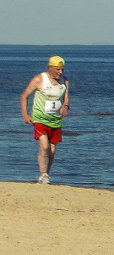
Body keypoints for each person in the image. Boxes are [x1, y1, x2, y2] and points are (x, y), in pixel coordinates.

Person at [19, 55, 70, 184]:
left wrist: (66, 107)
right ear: (50, 68)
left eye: (62, 69)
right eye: (58, 69)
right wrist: (25, 114)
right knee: (45, 147)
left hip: (55, 120)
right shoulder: (40, 79)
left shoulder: (64, 81)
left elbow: (66, 99)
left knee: (52, 151)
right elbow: (24, 96)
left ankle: (45, 175)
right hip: (40, 119)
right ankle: (43, 174)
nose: (60, 72)